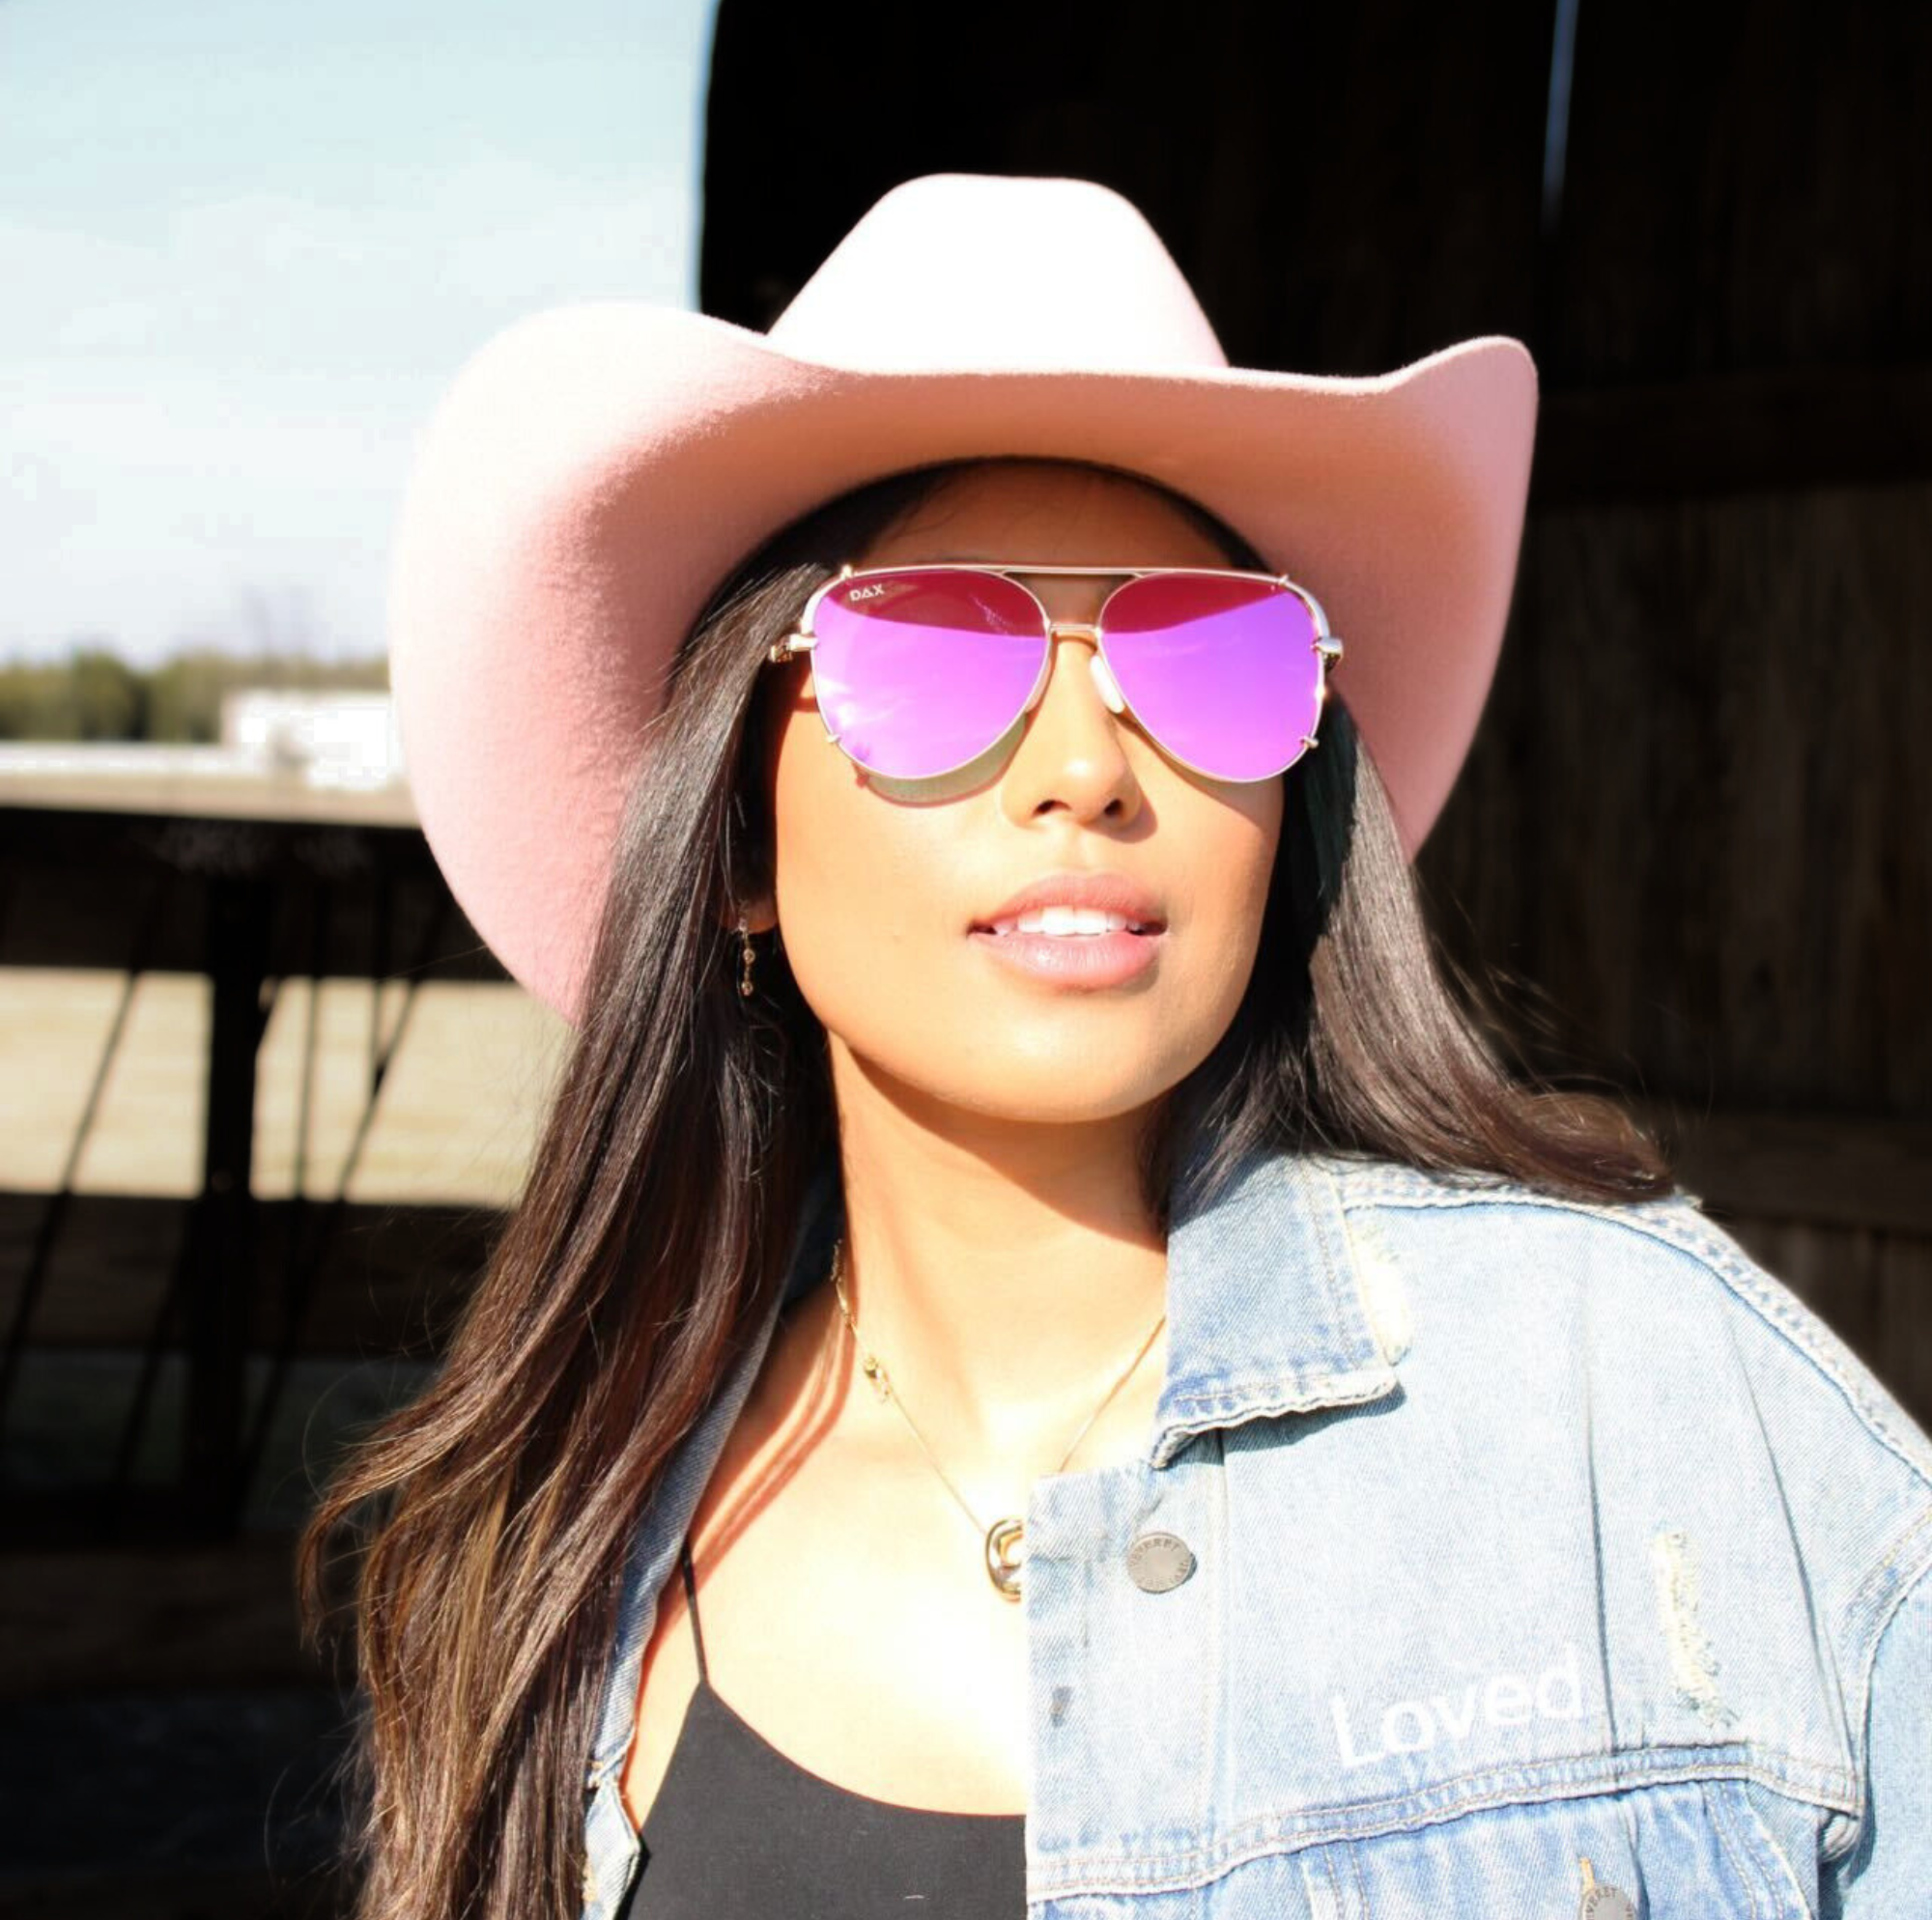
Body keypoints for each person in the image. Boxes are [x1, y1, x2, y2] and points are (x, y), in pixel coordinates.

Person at [300, 175, 1932, 1920]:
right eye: (929, 652)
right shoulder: (550, 1547)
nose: (1091, 765)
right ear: (737, 849)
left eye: (1208, 656)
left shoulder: (1655, 1417)